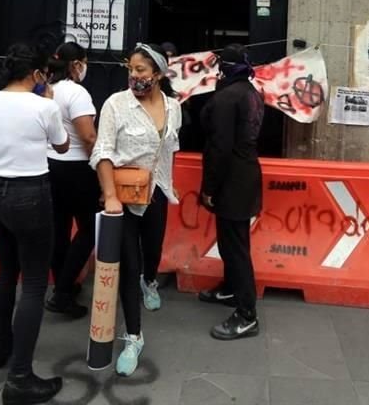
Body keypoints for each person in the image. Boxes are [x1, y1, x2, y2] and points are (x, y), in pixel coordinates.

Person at [0, 44, 69, 405]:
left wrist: (0, 153)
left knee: (7, 272)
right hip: (31, 194)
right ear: (38, 74)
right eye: (45, 74)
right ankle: (20, 377)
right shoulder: (45, 106)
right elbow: (63, 146)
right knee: (35, 284)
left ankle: (0, 346)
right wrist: (49, 99)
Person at [91, 43, 182, 376]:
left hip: (157, 194)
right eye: (130, 69)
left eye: (141, 70)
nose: (134, 76)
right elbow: (102, 151)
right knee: (128, 266)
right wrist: (110, 195)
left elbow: (169, 150)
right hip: (124, 200)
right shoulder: (117, 104)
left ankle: (151, 282)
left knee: (152, 251)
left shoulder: (174, 107)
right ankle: (133, 336)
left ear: (157, 73)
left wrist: (170, 183)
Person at [197, 45, 264, 340]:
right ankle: (230, 288)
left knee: (235, 248)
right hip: (246, 176)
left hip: (231, 182)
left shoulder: (226, 97)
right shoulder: (251, 93)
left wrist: (209, 187)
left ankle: (247, 314)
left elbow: (220, 147)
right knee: (232, 241)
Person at [44, 41, 98, 318]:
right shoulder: (76, 93)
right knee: (89, 229)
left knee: (60, 229)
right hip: (78, 168)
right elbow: (88, 136)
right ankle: (63, 290)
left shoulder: (45, 91)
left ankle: (64, 284)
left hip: (50, 167)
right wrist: (101, 165)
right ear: (77, 64)